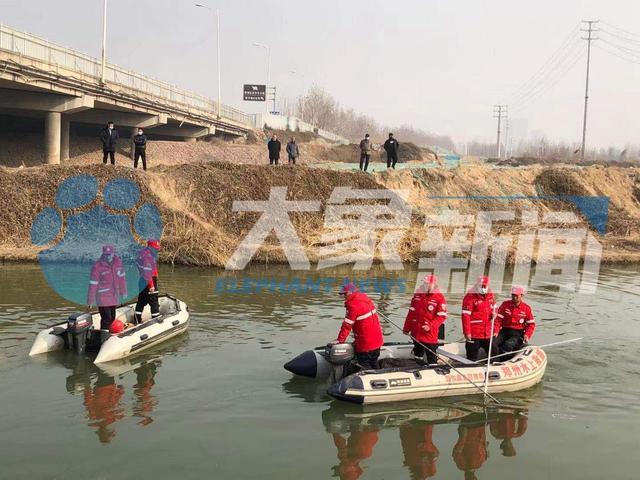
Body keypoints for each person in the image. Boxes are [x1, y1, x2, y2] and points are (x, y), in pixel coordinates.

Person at [334, 283, 384, 370]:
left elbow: (347, 326)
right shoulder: (365, 298)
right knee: (374, 361)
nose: (344, 297)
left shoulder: (353, 306)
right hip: (377, 341)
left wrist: (340, 340)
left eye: (345, 294)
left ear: (350, 292)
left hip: (366, 344)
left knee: (365, 366)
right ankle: (379, 377)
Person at [402, 274, 447, 365]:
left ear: (434, 284)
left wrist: (430, 326)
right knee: (417, 354)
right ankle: (418, 364)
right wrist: (406, 328)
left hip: (429, 334)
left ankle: (433, 369)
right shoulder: (417, 295)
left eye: (428, 284)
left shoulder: (439, 298)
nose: (426, 285)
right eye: (425, 283)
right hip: (416, 333)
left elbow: (441, 316)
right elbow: (411, 313)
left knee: (431, 356)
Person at [87, 245, 127, 331]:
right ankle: (103, 336)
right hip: (102, 297)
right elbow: (93, 285)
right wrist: (90, 300)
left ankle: (110, 334)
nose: (107, 256)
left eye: (109, 254)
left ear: (113, 254)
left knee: (112, 317)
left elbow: (122, 279)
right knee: (106, 318)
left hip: (114, 296)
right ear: (103, 254)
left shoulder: (118, 263)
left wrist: (123, 292)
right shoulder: (97, 266)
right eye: (106, 254)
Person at [461, 276, 498, 361]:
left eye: (484, 286)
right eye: (481, 286)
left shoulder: (490, 294)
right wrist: (467, 332)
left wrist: (495, 313)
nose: (482, 288)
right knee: (472, 356)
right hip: (474, 333)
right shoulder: (470, 297)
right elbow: (465, 316)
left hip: (487, 332)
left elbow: (495, 307)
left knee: (494, 352)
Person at [495, 286, 536, 358]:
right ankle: (491, 358)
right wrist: (495, 331)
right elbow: (498, 320)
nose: (514, 297)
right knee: (493, 342)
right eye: (513, 295)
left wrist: (527, 335)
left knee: (508, 345)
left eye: (516, 296)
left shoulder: (526, 308)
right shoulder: (505, 305)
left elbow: (531, 325)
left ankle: (503, 360)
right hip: (504, 331)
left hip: (517, 333)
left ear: (521, 296)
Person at [135, 239, 161, 325]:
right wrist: (151, 286)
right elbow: (147, 273)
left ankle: (137, 319)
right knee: (154, 302)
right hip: (149, 280)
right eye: (155, 248)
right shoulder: (148, 257)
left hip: (141, 280)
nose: (157, 250)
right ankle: (156, 321)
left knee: (141, 301)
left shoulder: (142, 253)